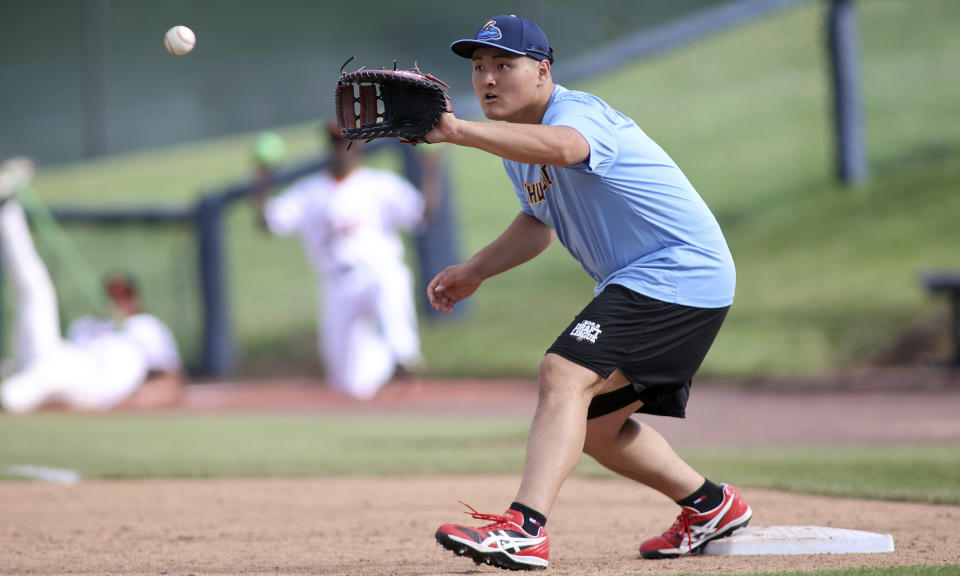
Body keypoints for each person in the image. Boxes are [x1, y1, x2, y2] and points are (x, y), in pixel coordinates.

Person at [425, 15, 752, 570]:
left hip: (676, 270)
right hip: (663, 281)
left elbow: (568, 148)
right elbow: (538, 221)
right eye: (479, 67)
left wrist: (457, 132)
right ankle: (710, 507)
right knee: (595, 427)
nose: (487, 79)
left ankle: (524, 530)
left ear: (543, 70)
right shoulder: (516, 143)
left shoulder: (576, 114)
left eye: (504, 65)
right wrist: (476, 270)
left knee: (564, 373)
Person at [253, 122, 441, 400]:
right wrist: (263, 177)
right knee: (348, 384)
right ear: (328, 147)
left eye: (349, 142)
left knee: (391, 283)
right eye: (337, 143)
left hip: (379, 270)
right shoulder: (309, 191)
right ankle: (387, 359)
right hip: (338, 284)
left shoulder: (380, 184)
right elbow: (269, 224)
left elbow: (422, 213)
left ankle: (405, 356)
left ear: (361, 146)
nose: (343, 149)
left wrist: (432, 167)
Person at [0, 157, 186, 414]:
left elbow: (172, 384)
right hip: (61, 364)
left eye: (125, 294)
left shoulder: (148, 329)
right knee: (36, 291)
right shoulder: (85, 326)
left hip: (91, 388)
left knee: (45, 373)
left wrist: (134, 401)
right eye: (112, 293)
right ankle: (7, 209)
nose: (118, 300)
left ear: (136, 299)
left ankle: (11, 393)